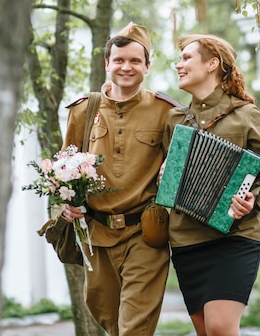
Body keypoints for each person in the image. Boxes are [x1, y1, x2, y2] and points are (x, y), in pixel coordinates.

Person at [159, 33, 260, 336]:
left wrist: (254, 199)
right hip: (186, 241)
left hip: (235, 237)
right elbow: (164, 179)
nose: (179, 65)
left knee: (220, 329)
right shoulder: (174, 120)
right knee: (207, 333)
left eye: (187, 58)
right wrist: (163, 175)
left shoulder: (245, 115)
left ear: (212, 63)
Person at [61, 22, 174, 336]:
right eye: (120, 60)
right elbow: (65, 166)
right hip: (97, 235)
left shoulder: (167, 112)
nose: (127, 67)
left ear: (147, 66)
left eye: (136, 61)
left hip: (146, 234)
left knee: (134, 328)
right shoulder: (83, 110)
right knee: (108, 318)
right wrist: (67, 202)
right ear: (107, 63)